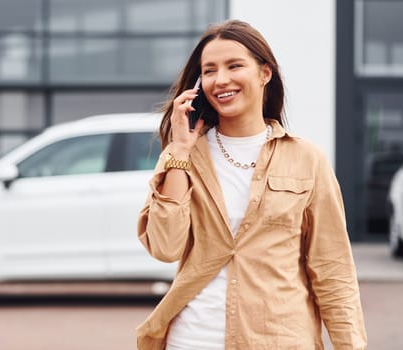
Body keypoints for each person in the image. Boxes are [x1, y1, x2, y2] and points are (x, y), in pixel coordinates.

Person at [136, 19, 367, 350]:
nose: (222, 79)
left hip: (279, 340)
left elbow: (334, 272)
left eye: (234, 65)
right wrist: (180, 150)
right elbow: (165, 246)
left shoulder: (307, 159)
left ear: (264, 73)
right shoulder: (183, 157)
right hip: (192, 340)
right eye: (210, 70)